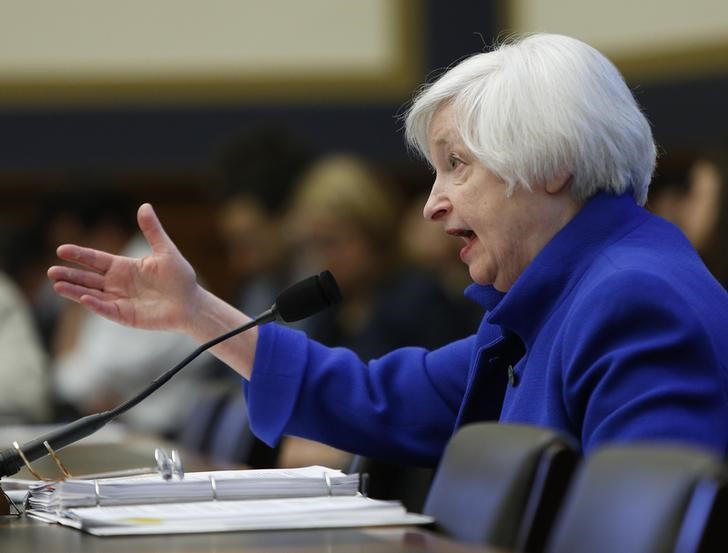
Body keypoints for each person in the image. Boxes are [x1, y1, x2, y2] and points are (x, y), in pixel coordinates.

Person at [47, 33, 728, 464]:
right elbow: (372, 396)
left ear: (551, 165)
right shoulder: (560, 301)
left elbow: (646, 527)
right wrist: (196, 311)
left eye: (457, 164)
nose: (431, 204)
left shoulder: (635, 300)